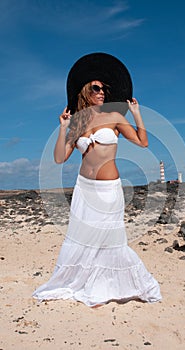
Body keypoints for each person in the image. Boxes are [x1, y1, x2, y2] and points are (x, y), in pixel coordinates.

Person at [33, 53, 162, 307]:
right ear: (85, 90)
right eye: (96, 88)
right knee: (83, 239)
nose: (102, 92)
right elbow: (60, 158)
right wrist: (62, 128)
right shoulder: (78, 121)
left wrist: (136, 114)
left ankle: (108, 286)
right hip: (84, 188)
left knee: (110, 239)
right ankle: (87, 282)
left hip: (108, 189)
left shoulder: (115, 116)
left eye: (104, 88)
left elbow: (142, 142)